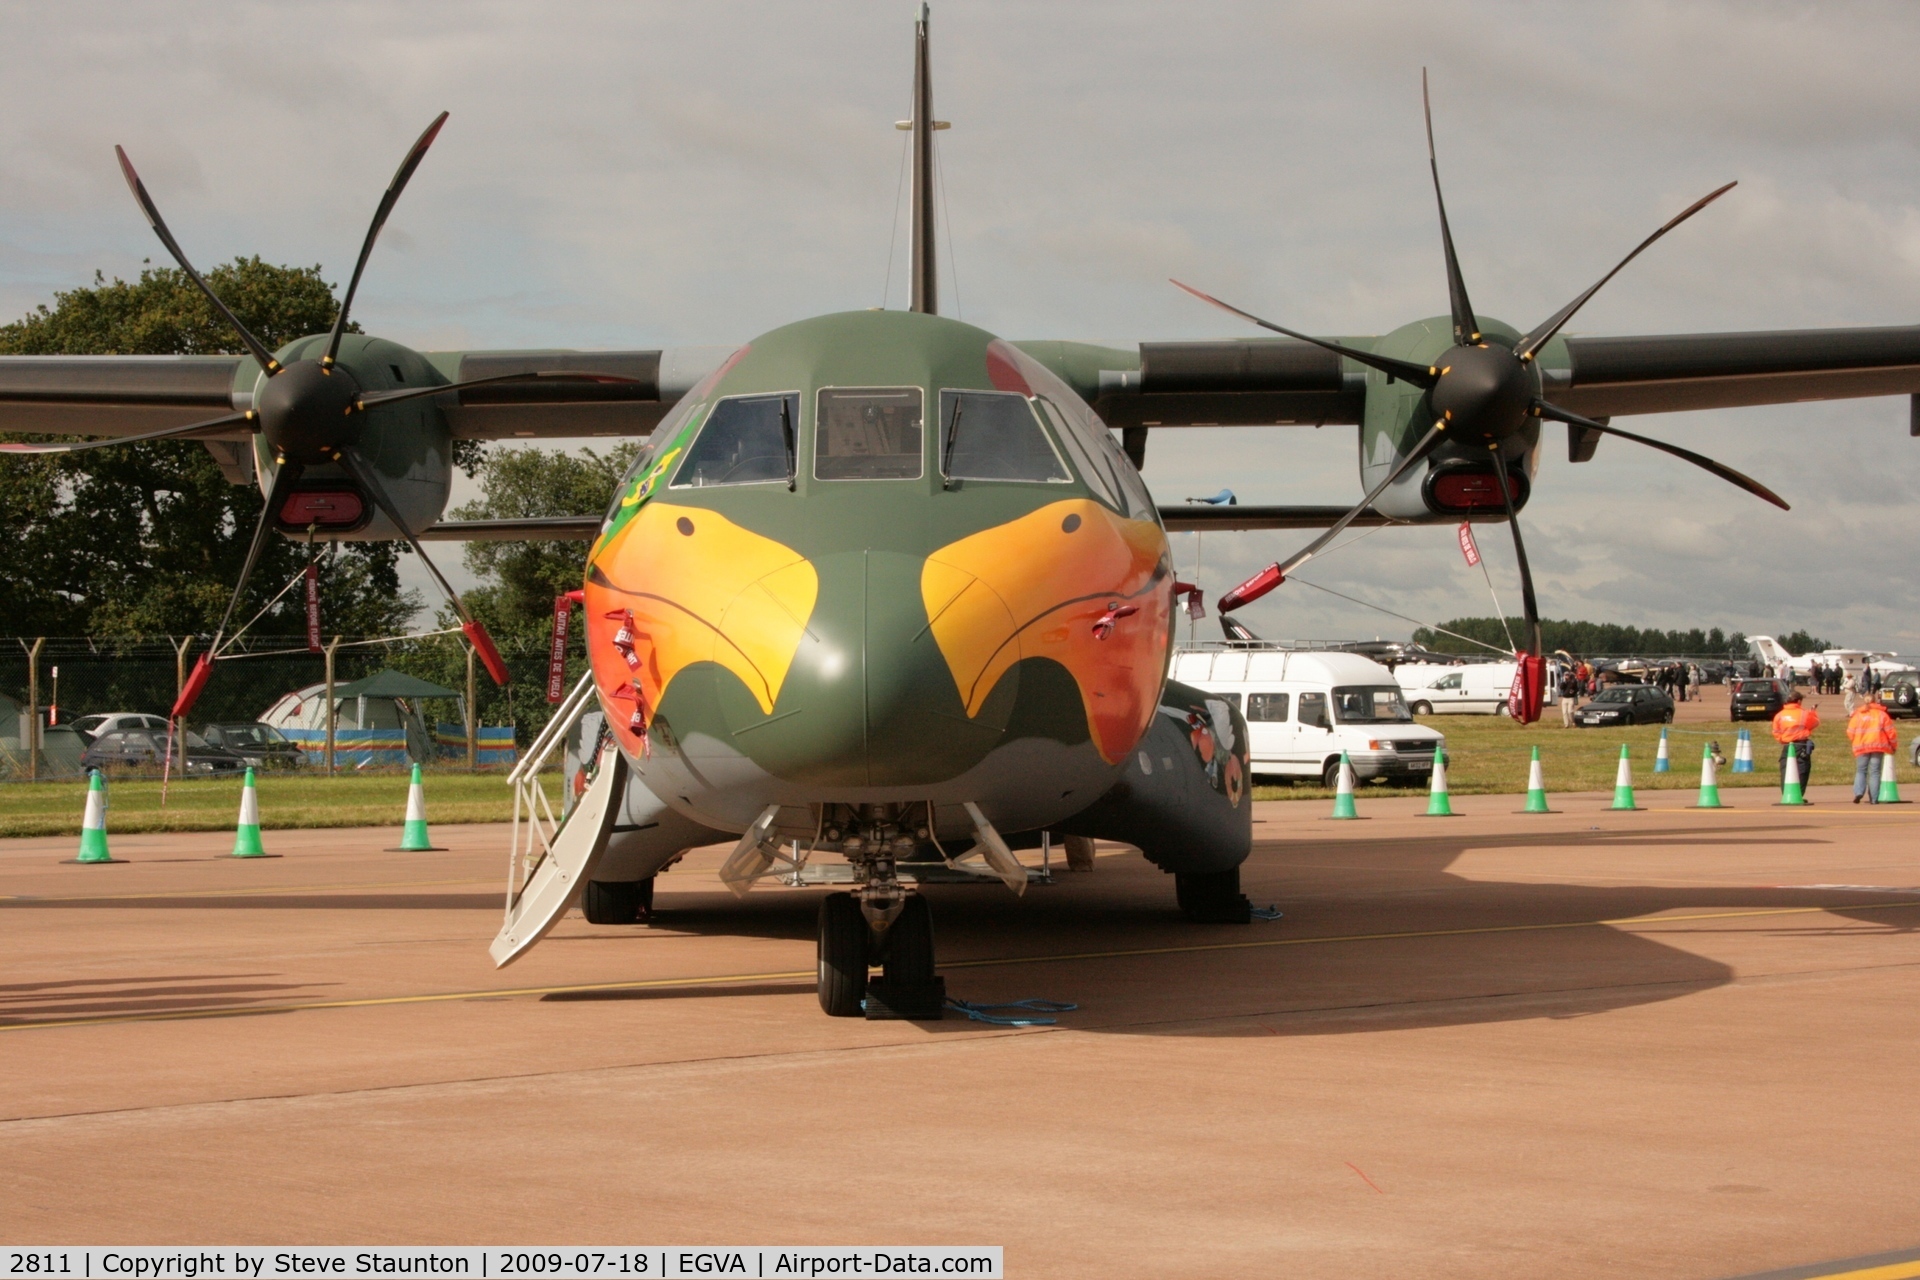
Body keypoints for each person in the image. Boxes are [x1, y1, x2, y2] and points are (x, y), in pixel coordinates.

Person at [1847, 694, 1898, 804]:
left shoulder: (1858, 715)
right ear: (1875, 701)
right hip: (1878, 746)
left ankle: (1858, 792)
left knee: (1861, 770)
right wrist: (1893, 746)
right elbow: (1891, 732)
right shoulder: (1882, 715)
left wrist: (1855, 740)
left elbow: (1850, 732)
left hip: (1861, 746)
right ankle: (1874, 798)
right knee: (1875, 772)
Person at [1772, 689, 1820, 791]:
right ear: (1798, 701)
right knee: (1802, 770)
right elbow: (1814, 723)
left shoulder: (1779, 715)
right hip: (1800, 745)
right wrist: (1813, 712)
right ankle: (1799, 793)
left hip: (1786, 745)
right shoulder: (1804, 713)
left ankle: (1785, 792)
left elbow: (1776, 731)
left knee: (1786, 769)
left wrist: (1783, 740)